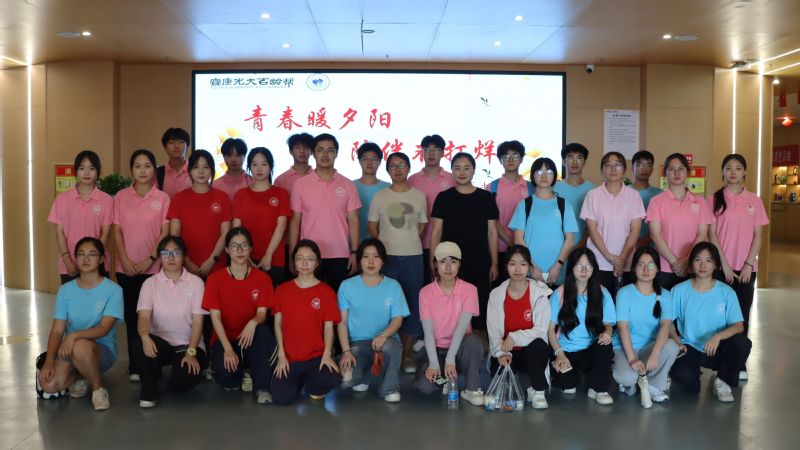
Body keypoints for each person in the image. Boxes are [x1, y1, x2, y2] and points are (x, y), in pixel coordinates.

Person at [37, 237, 123, 411]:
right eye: (81, 254)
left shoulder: (113, 290)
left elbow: (104, 329)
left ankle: (98, 388)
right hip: (69, 348)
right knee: (49, 385)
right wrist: (49, 361)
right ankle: (82, 375)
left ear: (101, 259)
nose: (86, 259)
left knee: (80, 346)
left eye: (92, 254)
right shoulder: (65, 290)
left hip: (101, 351)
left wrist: (73, 336)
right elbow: (57, 330)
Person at [708, 154, 768, 381]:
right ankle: (719, 361)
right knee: (718, 316)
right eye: (728, 168)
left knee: (742, 316)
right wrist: (723, 263)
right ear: (722, 171)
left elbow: (758, 236)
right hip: (720, 268)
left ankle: (739, 363)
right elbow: (712, 234)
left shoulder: (755, 201)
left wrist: (748, 264)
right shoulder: (714, 199)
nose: (733, 172)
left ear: (745, 172)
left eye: (738, 168)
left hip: (746, 269)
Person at [113, 149, 170, 381]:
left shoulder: (163, 198)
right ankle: (135, 366)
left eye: (147, 166)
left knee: (153, 318)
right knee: (131, 316)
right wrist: (124, 259)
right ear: (131, 170)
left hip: (153, 268)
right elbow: (116, 230)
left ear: (154, 169)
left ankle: (153, 364)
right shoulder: (121, 197)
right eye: (138, 166)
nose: (143, 170)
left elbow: (164, 232)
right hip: (125, 268)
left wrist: (150, 259)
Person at [368, 151, 427, 374]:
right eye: (392, 166)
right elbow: (372, 227)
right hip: (388, 259)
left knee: (412, 304)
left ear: (409, 168)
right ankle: (385, 353)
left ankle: (407, 355)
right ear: (387, 170)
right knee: (387, 304)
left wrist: (407, 241)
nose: (397, 169)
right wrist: (385, 249)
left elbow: (422, 226)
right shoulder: (380, 196)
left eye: (402, 165)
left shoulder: (419, 196)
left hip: (413, 257)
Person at [202, 227, 276, 405]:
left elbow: (262, 314)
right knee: (226, 379)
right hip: (225, 340)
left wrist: (253, 322)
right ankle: (244, 374)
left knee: (262, 331)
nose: (240, 250)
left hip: (251, 338)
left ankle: (262, 388)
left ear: (250, 249)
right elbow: (215, 318)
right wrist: (228, 349)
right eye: (235, 246)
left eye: (244, 245)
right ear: (227, 250)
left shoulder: (262, 279)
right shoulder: (215, 279)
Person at [669, 242, 751, 402]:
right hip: (689, 346)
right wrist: (677, 342)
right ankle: (693, 373)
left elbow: (738, 326)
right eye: (698, 260)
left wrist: (717, 337)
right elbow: (667, 322)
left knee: (742, 344)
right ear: (691, 263)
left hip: (717, 347)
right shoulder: (679, 290)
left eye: (708, 260)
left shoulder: (726, 292)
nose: (703, 265)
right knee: (688, 382)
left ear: (715, 265)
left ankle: (723, 381)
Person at [132, 236, 208, 408]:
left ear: (184, 256)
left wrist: (191, 352)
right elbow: (144, 317)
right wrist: (144, 336)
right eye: (165, 253)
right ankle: (149, 388)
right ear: (160, 257)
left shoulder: (196, 283)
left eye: (176, 253)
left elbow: (198, 322)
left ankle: (177, 374)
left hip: (188, 345)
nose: (171, 257)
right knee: (139, 343)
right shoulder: (150, 283)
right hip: (161, 344)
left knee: (181, 383)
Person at [430, 152, 499, 330]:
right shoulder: (443, 197)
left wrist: (494, 263)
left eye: (466, 168)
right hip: (450, 262)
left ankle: (477, 342)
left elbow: (492, 232)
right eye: (457, 168)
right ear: (452, 171)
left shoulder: (486, 198)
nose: (462, 172)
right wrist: (434, 262)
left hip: (480, 261)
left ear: (473, 170)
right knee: (452, 307)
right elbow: (436, 232)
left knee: (479, 305)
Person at [337, 239, 409, 402]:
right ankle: (364, 376)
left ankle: (389, 388)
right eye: (366, 256)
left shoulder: (393, 286)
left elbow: (398, 319)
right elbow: (342, 322)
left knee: (392, 348)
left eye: (376, 257)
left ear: (383, 261)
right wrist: (346, 351)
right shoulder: (347, 286)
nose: (370, 262)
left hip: (385, 340)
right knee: (347, 379)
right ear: (359, 260)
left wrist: (384, 335)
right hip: (357, 344)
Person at [414, 242, 485, 407]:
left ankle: (471, 389)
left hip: (460, 349)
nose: (448, 267)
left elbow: (461, 328)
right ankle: (445, 381)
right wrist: (433, 363)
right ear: (435, 264)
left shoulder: (469, 290)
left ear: (459, 264)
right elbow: (428, 332)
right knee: (426, 386)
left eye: (453, 262)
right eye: (443, 261)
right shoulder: (425, 293)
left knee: (473, 342)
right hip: (436, 350)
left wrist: (450, 359)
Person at [272, 240, 342, 405]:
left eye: (310, 259)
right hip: (290, 357)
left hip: (316, 357)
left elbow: (328, 327)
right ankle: (297, 381)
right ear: (294, 261)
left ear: (317, 263)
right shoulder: (282, 290)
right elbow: (277, 324)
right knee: (281, 398)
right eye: (300, 258)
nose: (304, 263)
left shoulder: (326, 292)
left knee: (333, 379)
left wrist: (327, 353)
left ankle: (311, 386)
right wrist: (281, 355)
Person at [289, 133, 361, 292]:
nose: (325, 154)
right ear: (313, 154)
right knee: (309, 298)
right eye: (320, 150)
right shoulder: (300, 185)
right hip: (309, 255)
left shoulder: (348, 185)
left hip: (340, 253)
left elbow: (354, 220)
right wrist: (293, 254)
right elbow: (295, 221)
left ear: (336, 154)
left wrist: (354, 252)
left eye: (330, 150)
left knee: (340, 299)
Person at [486, 245, 552, 409]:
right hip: (507, 351)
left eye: (523, 264)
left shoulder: (540, 294)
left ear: (529, 267)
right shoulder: (496, 295)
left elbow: (541, 330)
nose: (517, 269)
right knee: (500, 379)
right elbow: (493, 331)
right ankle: (508, 385)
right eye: (512, 264)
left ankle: (538, 390)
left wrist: (514, 337)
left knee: (540, 346)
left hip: (530, 354)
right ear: (506, 266)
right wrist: (501, 353)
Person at [548, 247, 616, 405]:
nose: (584, 270)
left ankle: (599, 388)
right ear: (571, 267)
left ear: (593, 268)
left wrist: (607, 332)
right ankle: (577, 377)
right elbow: (550, 329)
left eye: (588, 266)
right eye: (579, 265)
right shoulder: (559, 293)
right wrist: (559, 354)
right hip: (566, 351)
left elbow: (609, 324)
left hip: (590, 350)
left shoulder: (602, 293)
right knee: (568, 387)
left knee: (605, 345)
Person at [612, 247, 679, 405]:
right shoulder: (624, 293)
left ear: (657, 269)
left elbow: (665, 325)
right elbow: (622, 328)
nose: (646, 269)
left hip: (649, 347)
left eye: (651, 265)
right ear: (634, 268)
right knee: (628, 378)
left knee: (671, 346)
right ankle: (633, 379)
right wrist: (632, 359)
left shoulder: (665, 295)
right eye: (641, 264)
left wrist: (655, 353)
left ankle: (654, 385)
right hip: (625, 348)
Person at [581, 151, 645, 298]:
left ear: (624, 170)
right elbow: (592, 231)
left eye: (617, 165)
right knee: (598, 304)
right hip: (598, 261)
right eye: (607, 165)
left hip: (626, 262)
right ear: (602, 170)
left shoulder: (634, 196)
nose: (612, 169)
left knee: (624, 304)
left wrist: (621, 259)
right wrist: (610, 257)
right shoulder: (592, 195)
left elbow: (635, 231)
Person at [647, 153, 713, 289]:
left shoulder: (700, 201)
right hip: (665, 267)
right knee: (666, 302)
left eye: (681, 168)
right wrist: (675, 263)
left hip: (693, 266)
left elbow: (702, 234)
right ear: (665, 173)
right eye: (672, 169)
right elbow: (655, 235)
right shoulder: (656, 201)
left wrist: (687, 260)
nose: (676, 173)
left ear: (688, 172)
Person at [48, 150, 113, 284]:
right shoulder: (62, 199)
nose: (86, 173)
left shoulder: (106, 200)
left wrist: (94, 260)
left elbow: (105, 234)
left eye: (91, 168)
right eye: (82, 168)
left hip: (98, 265)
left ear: (98, 172)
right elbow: (59, 233)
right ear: (76, 171)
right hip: (69, 265)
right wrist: (67, 260)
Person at [510, 157, 577, 286]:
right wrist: (531, 265)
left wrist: (558, 265)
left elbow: (570, 239)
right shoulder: (524, 205)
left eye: (549, 172)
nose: (544, 176)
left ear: (554, 175)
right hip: (530, 271)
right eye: (539, 172)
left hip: (558, 272)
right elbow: (518, 239)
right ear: (533, 175)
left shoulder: (564, 204)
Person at [167, 149, 232, 278]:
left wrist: (211, 260)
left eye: (206, 167)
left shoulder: (222, 197)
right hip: (185, 266)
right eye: (196, 167)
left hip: (216, 265)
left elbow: (226, 233)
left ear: (212, 170)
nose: (201, 172)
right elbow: (175, 234)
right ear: (190, 171)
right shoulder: (179, 198)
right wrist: (186, 261)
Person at [233, 147, 291, 285]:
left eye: (264, 164)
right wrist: (245, 257)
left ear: (270, 166)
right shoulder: (241, 194)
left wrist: (268, 255)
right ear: (249, 167)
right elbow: (236, 229)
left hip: (274, 257)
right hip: (245, 256)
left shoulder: (281, 193)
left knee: (273, 295)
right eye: (254, 164)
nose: (259, 169)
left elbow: (281, 226)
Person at [408, 134, 455, 282]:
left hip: (445, 241)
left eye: (435, 149)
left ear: (442, 153)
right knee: (419, 284)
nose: (431, 153)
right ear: (421, 153)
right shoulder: (412, 180)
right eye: (427, 149)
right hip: (417, 242)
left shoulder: (452, 179)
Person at [488, 141, 533, 283]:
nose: (511, 159)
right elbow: (491, 221)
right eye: (506, 156)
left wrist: (519, 244)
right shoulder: (492, 187)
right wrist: (511, 242)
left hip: (526, 249)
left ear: (521, 159)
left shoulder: (531, 188)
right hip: (499, 250)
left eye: (515, 155)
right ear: (500, 160)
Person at [553, 143, 596, 248]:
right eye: (570, 157)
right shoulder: (553, 188)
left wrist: (579, 246)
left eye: (579, 158)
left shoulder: (594, 190)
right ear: (564, 162)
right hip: (557, 247)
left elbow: (595, 225)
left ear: (584, 162)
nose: (575, 162)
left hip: (585, 248)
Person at [353, 143, 390, 243]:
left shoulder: (388, 187)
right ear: (359, 161)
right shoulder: (351, 186)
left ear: (379, 162)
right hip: (355, 243)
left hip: (382, 243)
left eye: (374, 159)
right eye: (365, 159)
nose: (369, 163)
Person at [631, 150, 662, 248]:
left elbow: (664, 223)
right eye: (639, 164)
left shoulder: (660, 194)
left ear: (652, 169)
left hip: (653, 247)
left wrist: (644, 241)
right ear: (632, 168)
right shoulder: (622, 192)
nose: (644, 168)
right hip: (627, 246)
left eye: (648, 165)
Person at [156, 127, 192, 198]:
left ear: (187, 146)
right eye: (171, 142)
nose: (176, 146)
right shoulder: (158, 173)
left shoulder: (194, 171)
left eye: (181, 142)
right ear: (165, 148)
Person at [215, 138, 254, 202]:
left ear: (244, 157)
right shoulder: (215, 186)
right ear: (224, 157)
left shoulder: (254, 183)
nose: (233, 159)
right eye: (229, 155)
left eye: (238, 155)